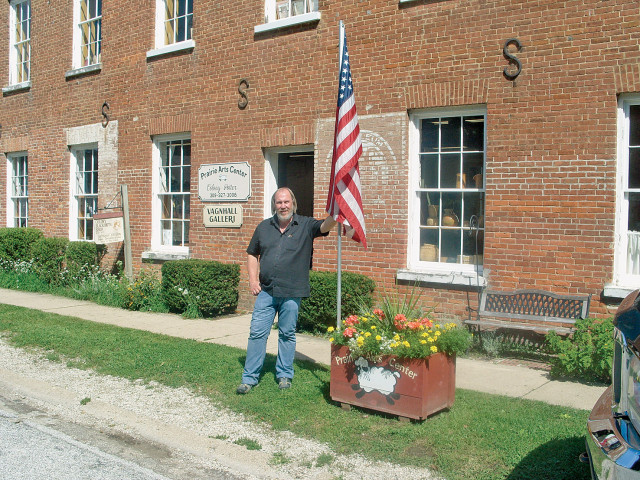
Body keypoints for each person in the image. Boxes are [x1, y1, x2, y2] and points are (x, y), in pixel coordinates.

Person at [237, 187, 337, 394]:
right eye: (279, 202)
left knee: (287, 334)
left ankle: (284, 375)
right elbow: (251, 254)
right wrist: (252, 280)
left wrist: (337, 213)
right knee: (257, 333)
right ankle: (249, 378)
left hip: (292, 293)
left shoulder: (306, 225)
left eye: (286, 202)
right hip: (266, 292)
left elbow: (326, 226)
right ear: (274, 205)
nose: (283, 206)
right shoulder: (263, 227)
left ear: (293, 203)